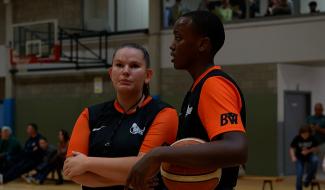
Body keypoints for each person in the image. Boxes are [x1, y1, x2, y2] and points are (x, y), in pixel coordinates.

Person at [125, 10, 247, 190]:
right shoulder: (197, 87)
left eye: (178, 38)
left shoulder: (213, 85)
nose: (172, 46)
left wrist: (157, 154)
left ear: (203, 44)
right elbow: (188, 159)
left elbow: (237, 149)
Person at [63, 43, 178, 190]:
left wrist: (86, 163)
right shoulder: (89, 115)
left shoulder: (164, 113)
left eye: (134, 66)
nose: (125, 71)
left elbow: (146, 167)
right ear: (111, 73)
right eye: (119, 65)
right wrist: (129, 181)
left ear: (148, 76)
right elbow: (72, 170)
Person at [290, 125, 319, 190]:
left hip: (309, 156)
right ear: (300, 133)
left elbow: (317, 149)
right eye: (303, 134)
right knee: (299, 174)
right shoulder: (297, 138)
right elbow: (292, 148)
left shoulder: (312, 138)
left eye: (306, 134)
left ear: (309, 133)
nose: (305, 136)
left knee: (315, 160)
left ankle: (307, 180)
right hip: (299, 157)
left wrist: (308, 151)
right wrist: (293, 156)